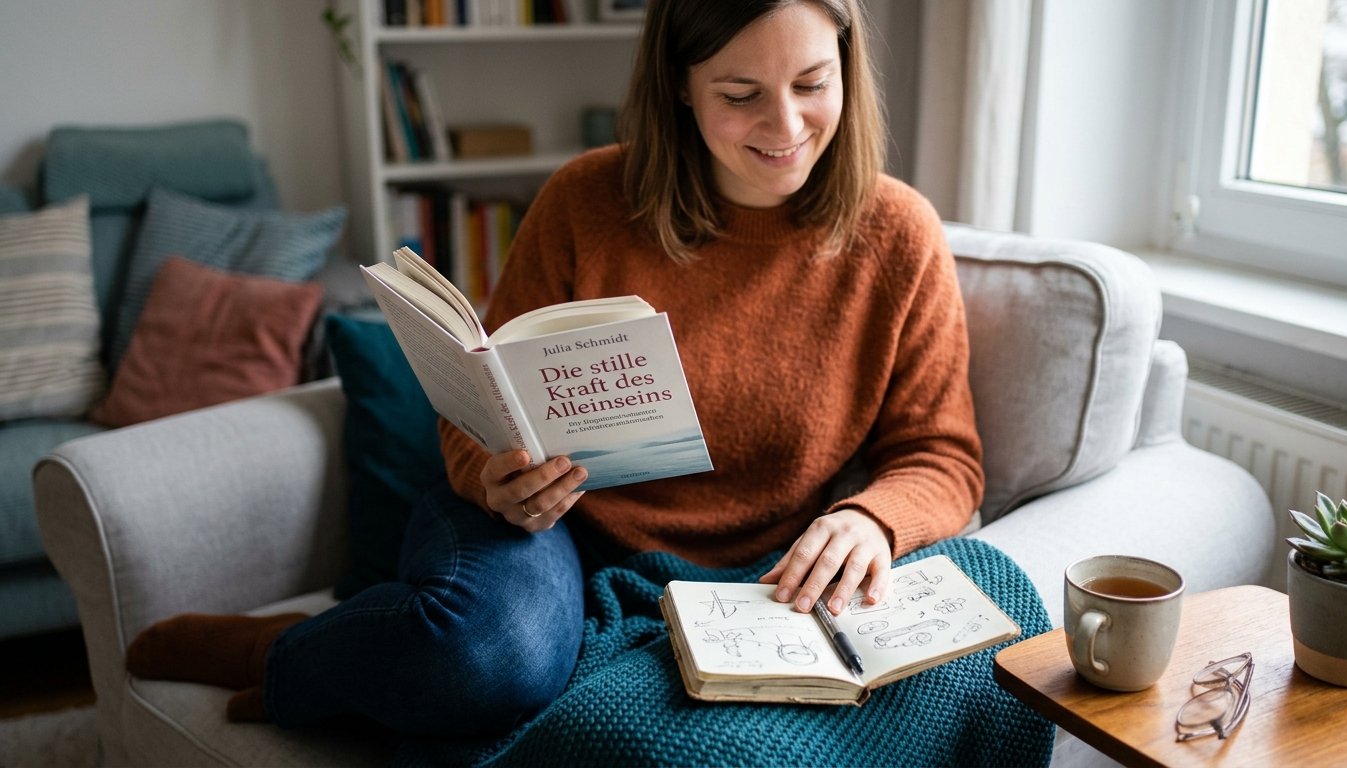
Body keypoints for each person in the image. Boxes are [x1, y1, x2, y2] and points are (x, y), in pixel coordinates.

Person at [124, 0, 983, 740]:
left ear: (847, 67)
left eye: (811, 83)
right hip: (549, 530)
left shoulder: (897, 235)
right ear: (680, 86)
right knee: (484, 658)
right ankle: (281, 651)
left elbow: (944, 457)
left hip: (763, 567)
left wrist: (874, 520)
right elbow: (475, 407)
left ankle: (327, 661)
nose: (787, 126)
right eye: (740, 94)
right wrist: (498, 481)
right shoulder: (588, 202)